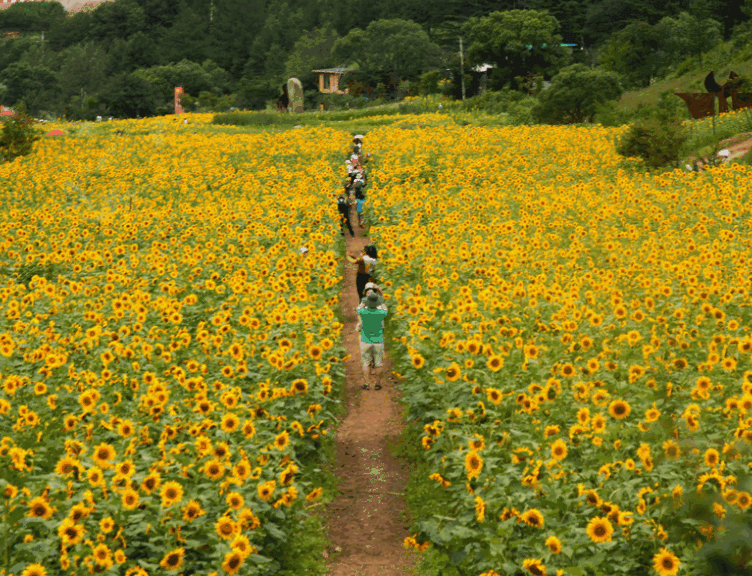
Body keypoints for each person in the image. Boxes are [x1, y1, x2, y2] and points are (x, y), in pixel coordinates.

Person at [357, 292, 388, 390]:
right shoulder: (380, 313)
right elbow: (385, 309)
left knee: (366, 363)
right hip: (378, 341)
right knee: (378, 363)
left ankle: (366, 384)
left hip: (365, 340)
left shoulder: (363, 312)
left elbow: (358, 308)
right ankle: (377, 384)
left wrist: (363, 302)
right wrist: (381, 301)